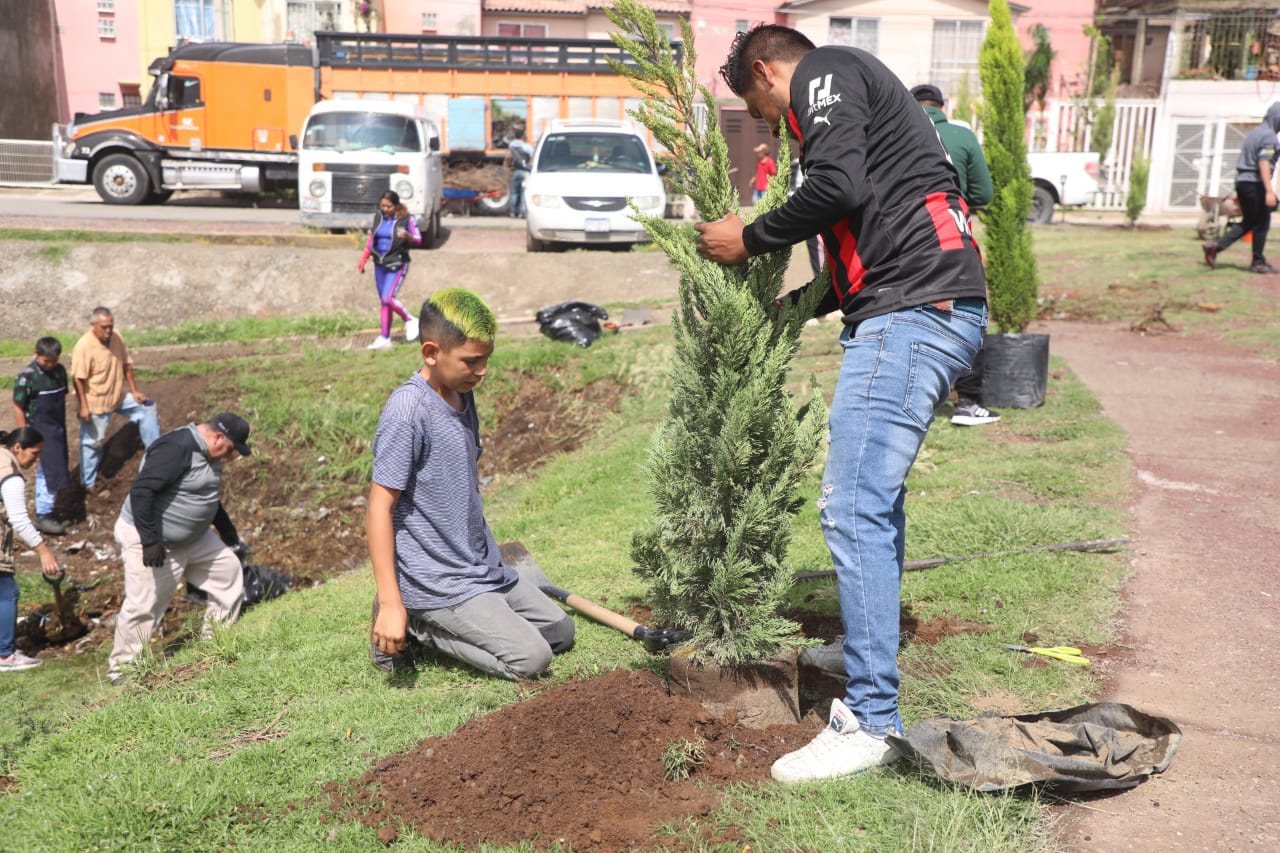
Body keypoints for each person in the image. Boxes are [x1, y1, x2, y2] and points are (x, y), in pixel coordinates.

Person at [696, 25, 986, 784]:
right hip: (923, 301)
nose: (771, 128)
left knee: (852, 504)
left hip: (911, 312)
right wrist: (787, 305)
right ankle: (866, 651)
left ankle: (869, 718)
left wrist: (749, 236)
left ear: (765, 70)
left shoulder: (825, 71)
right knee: (873, 506)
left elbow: (838, 189)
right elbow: (859, 238)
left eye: (761, 110)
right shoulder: (861, 94)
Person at [367, 288, 575, 679]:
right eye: (472, 361)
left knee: (560, 633)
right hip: (437, 579)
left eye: (486, 359)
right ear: (431, 353)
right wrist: (393, 601)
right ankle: (417, 624)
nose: (483, 371)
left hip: (478, 567)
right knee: (533, 659)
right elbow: (380, 507)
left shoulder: (462, 393)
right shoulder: (407, 412)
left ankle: (458, 612)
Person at [107, 413, 251, 683]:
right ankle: (123, 671)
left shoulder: (210, 455)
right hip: (150, 538)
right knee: (144, 604)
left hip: (193, 539)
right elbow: (142, 492)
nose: (231, 456)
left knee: (228, 570)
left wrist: (229, 533)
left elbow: (207, 497)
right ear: (219, 437)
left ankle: (214, 642)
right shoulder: (176, 449)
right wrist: (149, 541)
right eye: (231, 449)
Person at [910, 83, 1000, 427]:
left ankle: (919, 401)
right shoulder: (961, 136)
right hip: (953, 235)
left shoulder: (892, 133)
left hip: (905, 241)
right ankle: (967, 402)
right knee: (968, 312)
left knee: (913, 314)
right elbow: (983, 192)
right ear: (941, 107)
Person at [70, 307, 160, 493]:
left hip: (117, 396)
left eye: (110, 326)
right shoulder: (84, 346)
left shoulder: (117, 338)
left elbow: (127, 364)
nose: (108, 331)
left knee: (147, 408)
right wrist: (84, 406)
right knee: (93, 442)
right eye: (104, 327)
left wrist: (135, 391)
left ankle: (156, 456)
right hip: (96, 402)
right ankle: (88, 483)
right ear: (93, 326)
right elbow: (78, 378)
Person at [1, 427, 63, 672]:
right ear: (18, 448)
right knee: (7, 592)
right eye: (34, 453)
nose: (37, 459)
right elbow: (19, 520)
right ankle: (5, 656)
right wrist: (43, 549)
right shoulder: (11, 475)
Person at [1203, 102, 1280, 274]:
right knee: (1261, 222)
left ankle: (1214, 247)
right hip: (1254, 183)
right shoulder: (1269, 137)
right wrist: (1269, 191)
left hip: (1243, 182)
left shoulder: (1255, 134)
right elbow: (1264, 162)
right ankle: (1258, 262)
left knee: (1250, 222)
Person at [12, 337, 71, 534]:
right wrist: (25, 435)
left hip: (57, 428)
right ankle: (43, 514)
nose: (50, 365)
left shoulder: (60, 372)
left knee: (57, 467)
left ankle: (50, 509)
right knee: (48, 469)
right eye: (46, 361)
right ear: (36, 354)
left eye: (53, 361)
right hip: (39, 429)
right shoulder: (26, 377)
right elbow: (18, 406)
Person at [358, 190, 422, 351]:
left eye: (389, 206)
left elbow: (418, 239)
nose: (385, 209)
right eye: (383, 206)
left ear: (396, 205)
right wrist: (364, 258)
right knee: (384, 302)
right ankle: (384, 337)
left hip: (397, 263)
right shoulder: (378, 217)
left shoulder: (407, 219)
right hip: (380, 264)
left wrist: (408, 236)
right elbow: (372, 238)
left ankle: (411, 320)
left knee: (388, 298)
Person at [507, 128, 534, 218]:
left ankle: (512, 212)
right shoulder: (526, 147)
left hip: (516, 171)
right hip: (524, 172)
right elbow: (532, 155)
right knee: (523, 193)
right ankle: (522, 213)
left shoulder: (512, 145)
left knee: (514, 192)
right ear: (522, 136)